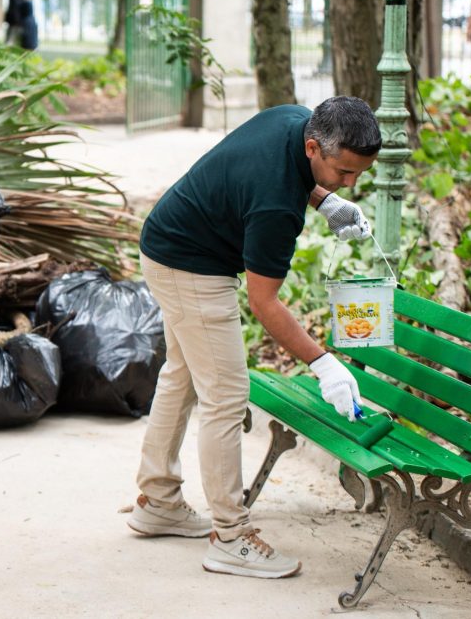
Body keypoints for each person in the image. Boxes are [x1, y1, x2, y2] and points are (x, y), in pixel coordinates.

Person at [127, 96, 381, 579]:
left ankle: (157, 500)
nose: (353, 183)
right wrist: (323, 362)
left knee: (181, 377)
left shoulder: (293, 116)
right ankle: (230, 536)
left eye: (359, 173)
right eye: (344, 173)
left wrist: (327, 199)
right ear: (313, 146)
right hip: (191, 266)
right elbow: (266, 304)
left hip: (169, 241)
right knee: (225, 396)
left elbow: (278, 174)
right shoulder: (276, 208)